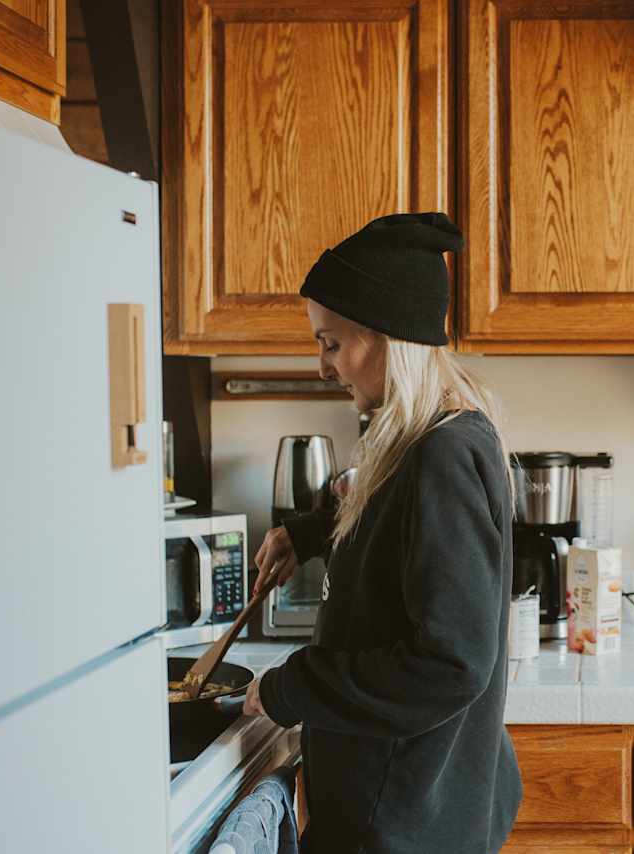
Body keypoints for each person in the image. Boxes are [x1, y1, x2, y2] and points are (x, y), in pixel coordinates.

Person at [244, 212, 522, 853]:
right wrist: (311, 533)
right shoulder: (436, 437)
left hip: (400, 820)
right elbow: (398, 529)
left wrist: (292, 689)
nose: (322, 366)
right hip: (413, 802)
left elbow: (449, 666)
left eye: (331, 343)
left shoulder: (441, 456)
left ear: (385, 337)